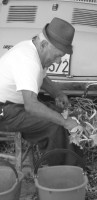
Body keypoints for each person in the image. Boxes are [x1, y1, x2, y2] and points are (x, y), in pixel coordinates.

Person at [0, 17, 81, 165]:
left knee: (57, 114)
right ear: (44, 44)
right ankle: (59, 176)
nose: (57, 62)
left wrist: (57, 93)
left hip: (13, 106)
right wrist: (63, 122)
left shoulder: (34, 50)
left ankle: (74, 166)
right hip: (4, 111)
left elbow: (41, 77)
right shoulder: (28, 60)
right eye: (57, 56)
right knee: (55, 127)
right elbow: (31, 105)